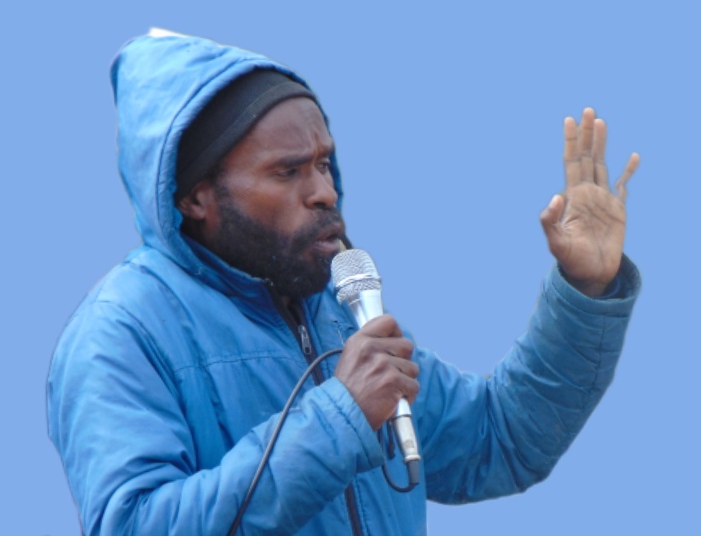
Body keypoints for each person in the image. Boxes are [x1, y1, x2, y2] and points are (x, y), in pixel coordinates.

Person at [47, 29, 641, 536]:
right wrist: (341, 418)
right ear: (195, 197)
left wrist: (584, 289)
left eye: (324, 163)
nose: (325, 192)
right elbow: (135, 524)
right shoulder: (120, 331)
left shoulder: (337, 309)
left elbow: (498, 441)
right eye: (287, 171)